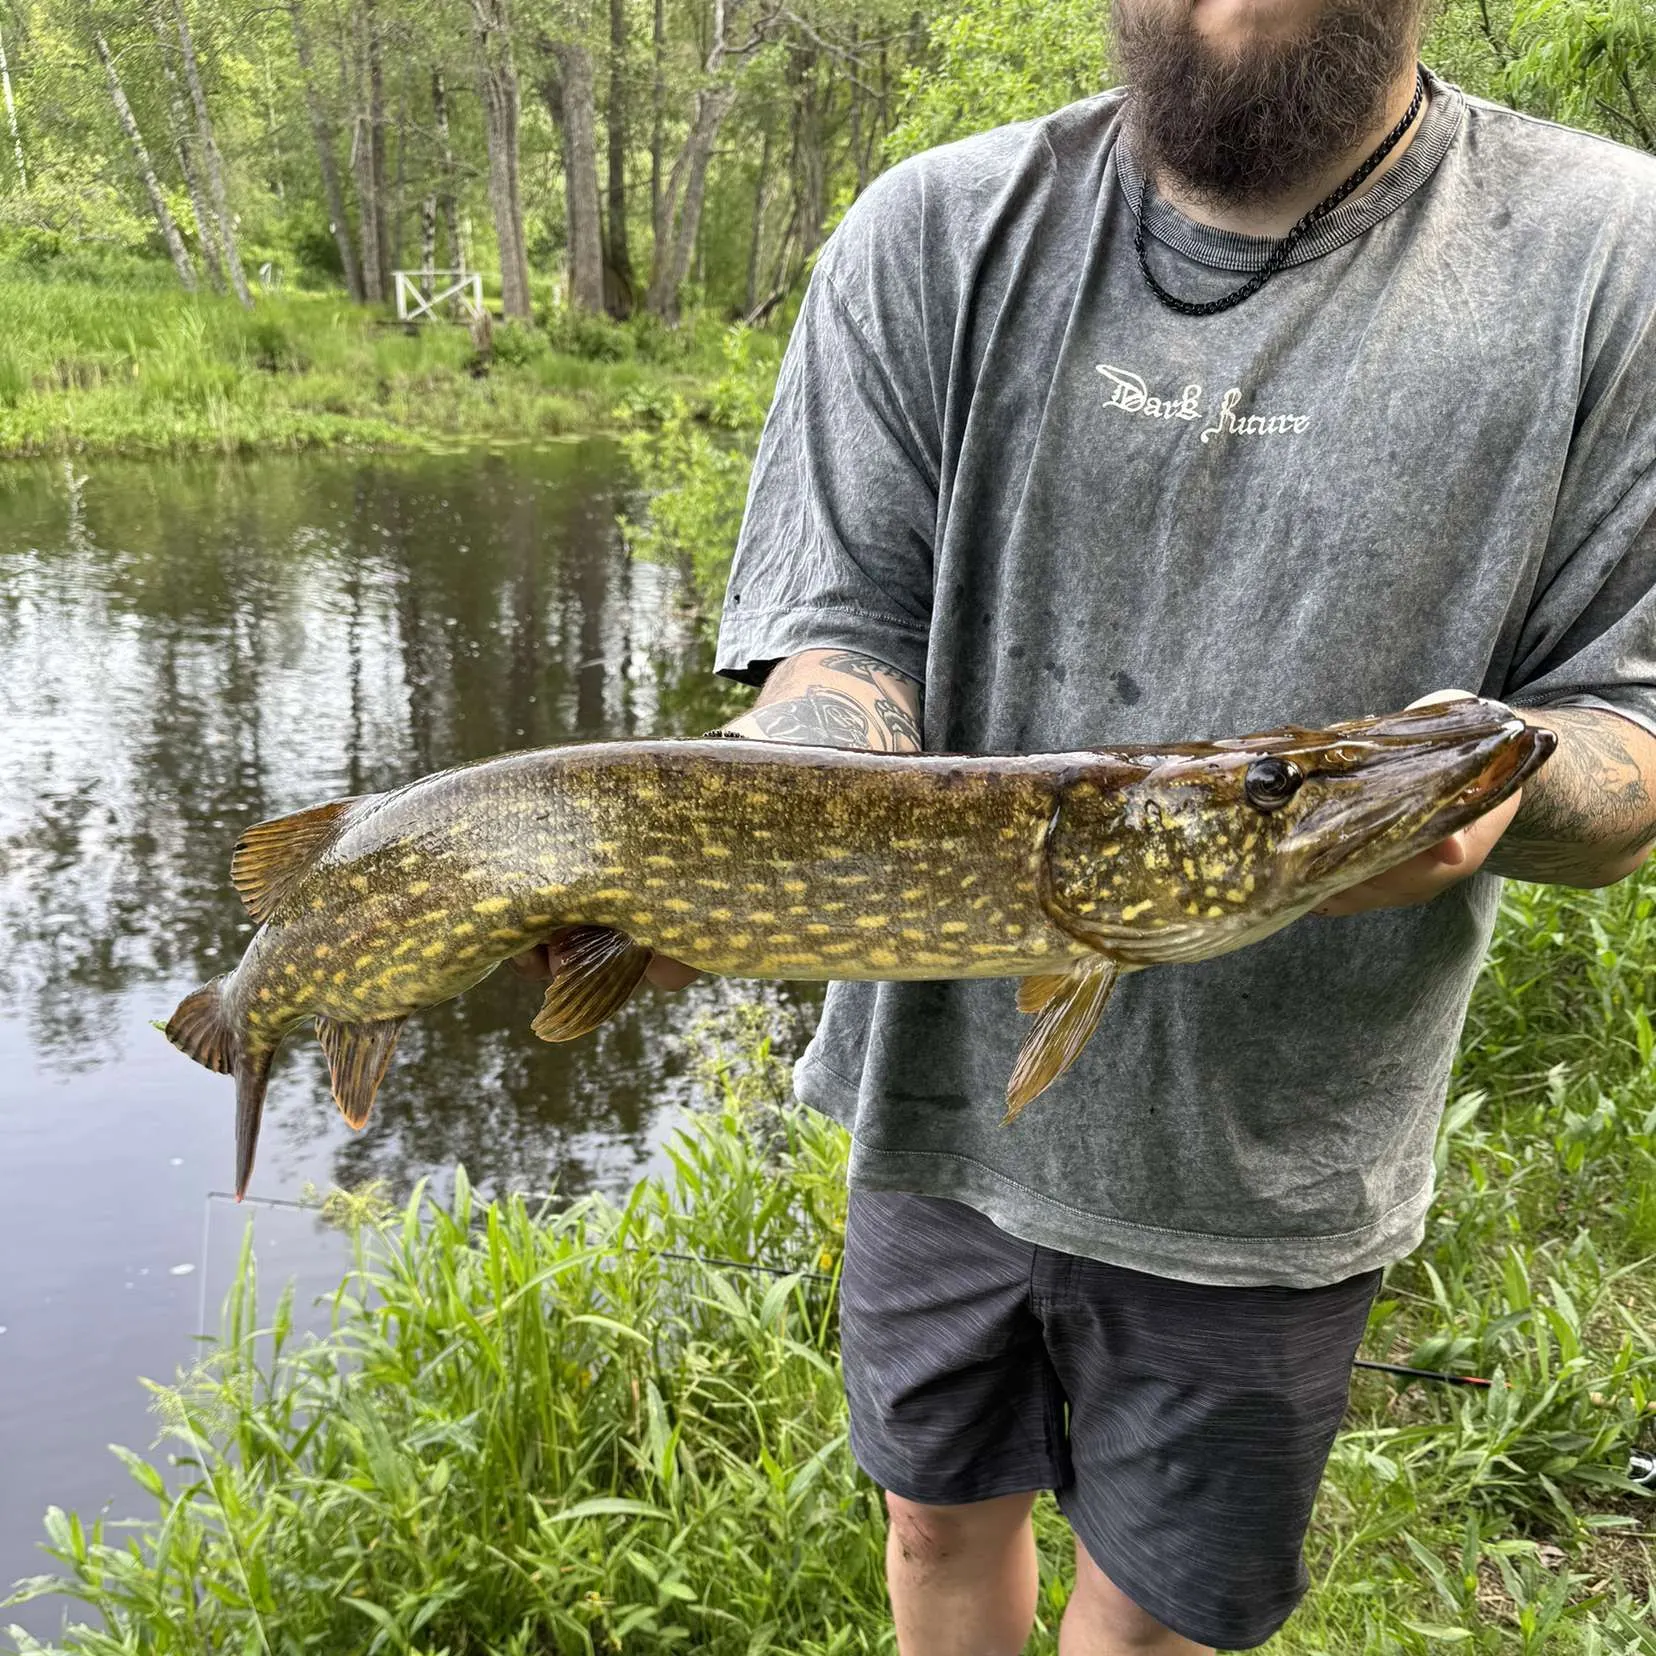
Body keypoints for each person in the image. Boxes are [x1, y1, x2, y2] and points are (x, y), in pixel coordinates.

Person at [531, 1, 1656, 1648]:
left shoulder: (1611, 258)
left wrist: (1504, 783)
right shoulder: (937, 223)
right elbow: (841, 641)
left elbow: (1625, 735)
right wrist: (741, 810)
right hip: (935, 1110)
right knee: (932, 1532)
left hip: (1271, 1153)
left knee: (1152, 1613)